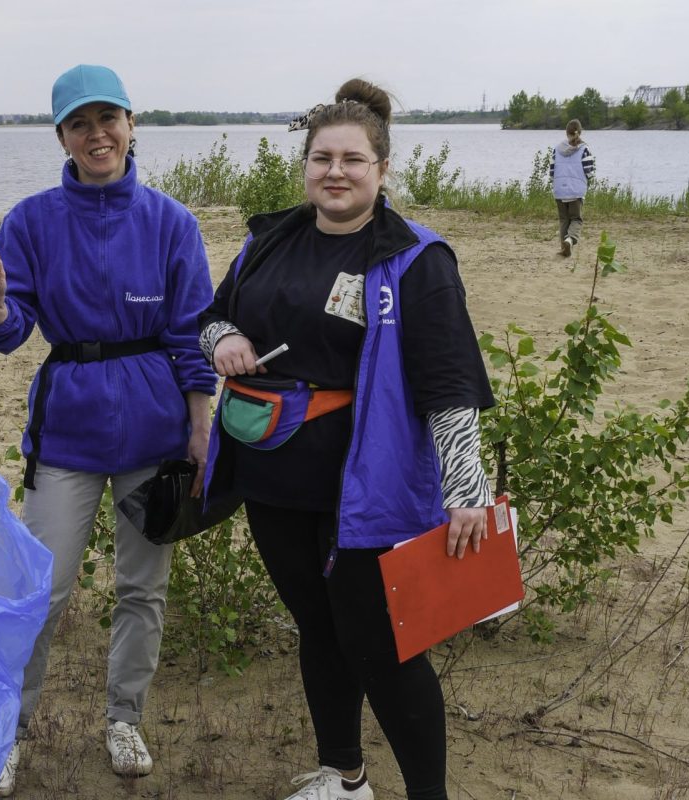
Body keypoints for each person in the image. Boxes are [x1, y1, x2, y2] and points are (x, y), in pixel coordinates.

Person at [198, 78, 494, 800]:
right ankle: (346, 778)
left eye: (353, 160)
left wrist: (467, 494)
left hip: (368, 487)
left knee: (383, 645)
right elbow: (209, 319)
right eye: (322, 157)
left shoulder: (417, 260)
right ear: (305, 165)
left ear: (382, 169)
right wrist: (225, 340)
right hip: (272, 476)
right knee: (318, 629)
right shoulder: (268, 240)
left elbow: (449, 385)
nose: (335, 171)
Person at [0, 63, 217, 796]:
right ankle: (7, 732)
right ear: (62, 137)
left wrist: (200, 430)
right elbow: (12, 333)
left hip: (156, 428)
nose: (96, 133)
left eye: (108, 117)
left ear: (132, 125)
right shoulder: (31, 219)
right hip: (69, 430)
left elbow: (192, 337)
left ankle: (124, 718)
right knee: (41, 589)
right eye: (80, 122)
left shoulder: (172, 222)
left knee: (144, 586)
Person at [549, 118, 596, 257]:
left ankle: (564, 248)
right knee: (576, 219)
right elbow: (589, 171)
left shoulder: (556, 149)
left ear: (566, 132)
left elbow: (551, 172)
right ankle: (570, 240)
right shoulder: (584, 149)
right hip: (576, 191)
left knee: (564, 220)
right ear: (579, 132)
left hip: (559, 191)